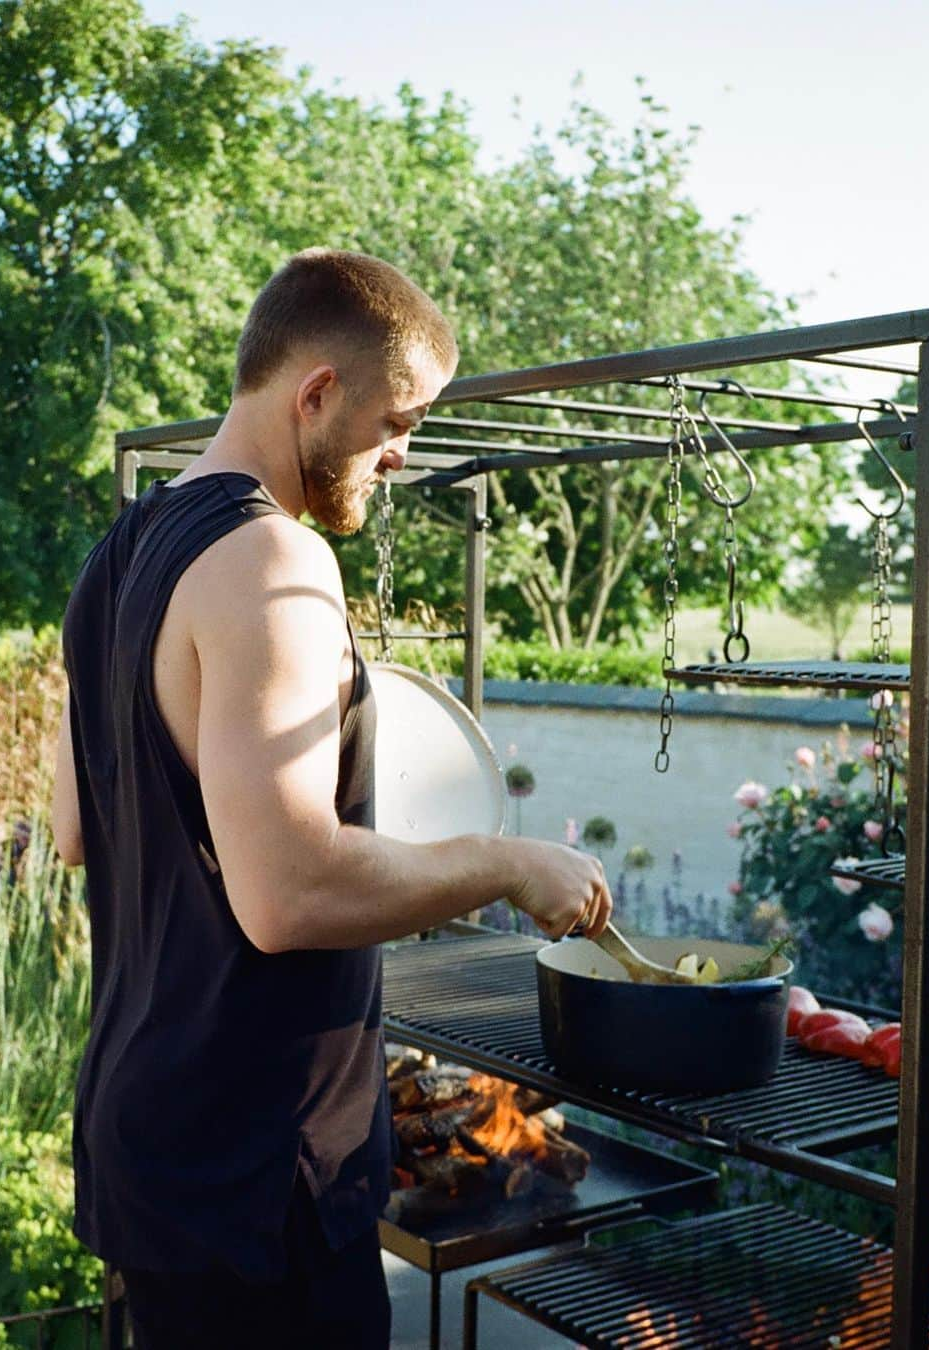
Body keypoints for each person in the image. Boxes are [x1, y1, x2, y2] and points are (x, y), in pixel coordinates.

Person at [50, 249, 612, 1349]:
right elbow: (286, 893)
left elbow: (79, 831)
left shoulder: (114, 560)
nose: (403, 455)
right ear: (315, 393)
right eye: (397, 421)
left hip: (150, 1137)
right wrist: (506, 863)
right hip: (261, 1170)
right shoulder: (276, 562)